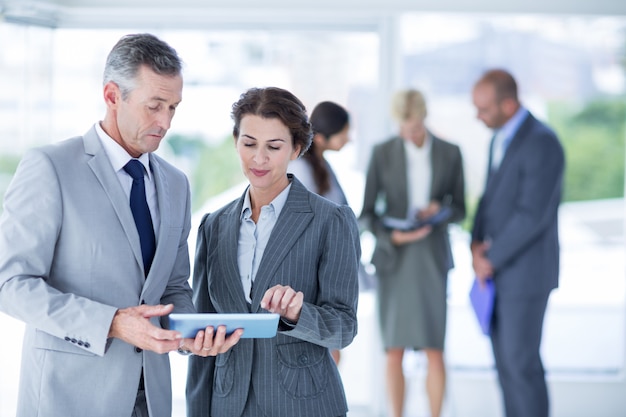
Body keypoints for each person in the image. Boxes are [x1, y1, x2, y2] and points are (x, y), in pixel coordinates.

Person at [0, 33, 240, 417]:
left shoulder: (176, 183)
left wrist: (189, 336)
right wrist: (111, 323)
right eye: (154, 106)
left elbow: (174, 286)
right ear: (113, 96)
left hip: (152, 397)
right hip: (69, 396)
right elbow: (11, 284)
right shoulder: (51, 167)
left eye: (173, 108)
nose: (165, 122)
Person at [186, 86, 361, 417]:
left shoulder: (331, 220)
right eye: (249, 144)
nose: (259, 158)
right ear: (236, 141)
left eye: (274, 146)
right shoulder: (213, 225)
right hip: (227, 404)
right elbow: (203, 326)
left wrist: (298, 315)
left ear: (296, 148)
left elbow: (344, 326)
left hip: (302, 404)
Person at [360, 89, 466, 417]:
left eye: (416, 127)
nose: (411, 133)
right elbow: (366, 214)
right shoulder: (381, 153)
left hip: (431, 257)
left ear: (424, 118)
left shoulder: (450, 152)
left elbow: (460, 209)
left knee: (434, 348)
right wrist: (392, 236)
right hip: (395, 258)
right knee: (394, 349)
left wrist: (440, 209)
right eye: (405, 128)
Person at [470, 69, 564, 417]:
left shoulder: (542, 141)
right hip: (497, 271)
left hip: (525, 275)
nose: (478, 116)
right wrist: (475, 243)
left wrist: (489, 256)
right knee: (507, 368)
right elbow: (489, 197)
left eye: (484, 109)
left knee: (521, 367)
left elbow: (532, 214)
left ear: (508, 104)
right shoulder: (500, 138)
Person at [287, 100, 351, 365]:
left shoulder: (322, 164)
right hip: (311, 267)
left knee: (333, 343)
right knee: (324, 346)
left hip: (327, 265)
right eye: (345, 132)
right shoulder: (301, 168)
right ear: (323, 137)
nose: (349, 137)